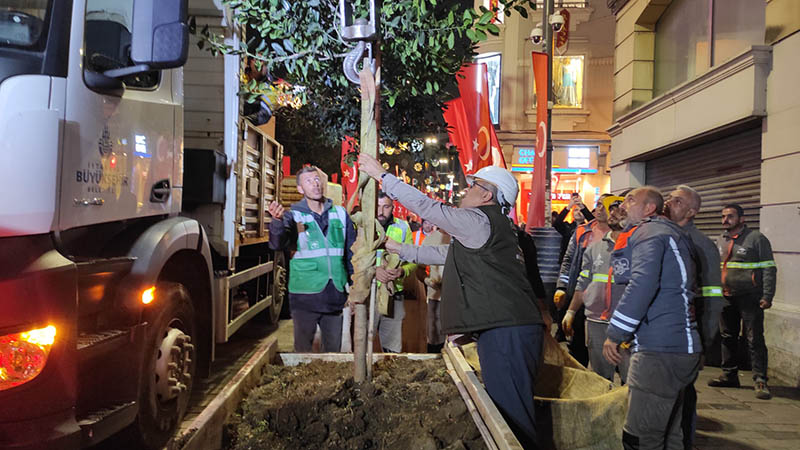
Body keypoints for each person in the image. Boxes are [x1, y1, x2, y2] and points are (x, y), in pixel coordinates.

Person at [359, 153, 549, 449]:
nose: (466, 190)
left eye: (473, 185)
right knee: (508, 410)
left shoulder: (478, 221)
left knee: (513, 421)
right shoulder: (496, 228)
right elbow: (448, 257)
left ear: (486, 194)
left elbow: (428, 207)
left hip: (506, 330)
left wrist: (383, 176)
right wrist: (399, 248)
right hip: (511, 328)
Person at [603, 186, 701, 450]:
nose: (622, 206)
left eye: (630, 200)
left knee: (640, 438)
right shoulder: (665, 233)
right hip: (677, 347)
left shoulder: (650, 232)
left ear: (649, 209)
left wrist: (615, 334)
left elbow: (642, 284)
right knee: (670, 434)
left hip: (660, 351)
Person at [268, 166, 356, 352]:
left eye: (317, 180)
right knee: (303, 355)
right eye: (309, 181)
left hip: (334, 293)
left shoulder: (340, 214)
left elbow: (351, 253)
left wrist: (354, 286)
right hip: (305, 295)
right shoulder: (293, 216)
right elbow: (277, 244)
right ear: (300, 189)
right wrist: (276, 221)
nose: (315, 184)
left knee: (333, 354)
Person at [664, 185, 723, 449]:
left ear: (691, 211)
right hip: (662, 336)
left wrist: (705, 342)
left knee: (683, 397)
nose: (668, 202)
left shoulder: (700, 244)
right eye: (668, 198)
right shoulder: (664, 236)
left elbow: (711, 297)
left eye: (676, 201)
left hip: (688, 336)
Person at [708, 204, 777, 400]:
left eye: (730, 216)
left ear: (742, 218)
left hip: (750, 297)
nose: (725, 220)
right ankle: (729, 375)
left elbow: (769, 268)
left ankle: (760, 380)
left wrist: (767, 296)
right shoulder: (721, 239)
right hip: (726, 297)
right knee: (727, 336)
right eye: (723, 216)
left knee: (754, 338)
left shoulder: (756, 239)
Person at [563, 195, 628, 383]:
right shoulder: (594, 248)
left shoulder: (638, 247)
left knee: (629, 378)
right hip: (596, 322)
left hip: (625, 323)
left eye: (618, 208)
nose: (613, 213)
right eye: (611, 208)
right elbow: (583, 281)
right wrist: (571, 311)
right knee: (601, 379)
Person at [554, 194, 612, 366]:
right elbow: (568, 261)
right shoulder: (582, 232)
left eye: (603, 205)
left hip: (607, 303)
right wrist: (562, 287)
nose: (599, 209)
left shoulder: (621, 234)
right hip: (580, 297)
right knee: (578, 349)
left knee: (607, 354)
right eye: (598, 205)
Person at [374, 192, 417, 353]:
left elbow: (413, 260)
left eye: (386, 206)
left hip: (394, 294)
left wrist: (402, 271)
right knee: (362, 340)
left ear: (392, 208)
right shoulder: (364, 226)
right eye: (377, 206)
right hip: (369, 292)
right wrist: (374, 271)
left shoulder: (402, 227)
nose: (381, 211)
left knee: (392, 345)